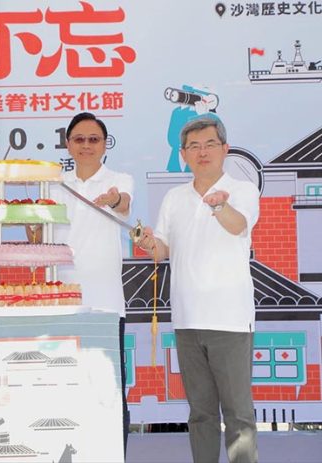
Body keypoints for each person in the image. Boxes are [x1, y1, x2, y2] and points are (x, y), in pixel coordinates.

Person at [137, 116, 259, 462]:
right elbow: (162, 250)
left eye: (209, 144)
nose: (202, 152)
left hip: (229, 319)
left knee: (238, 414)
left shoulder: (242, 190)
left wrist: (219, 204)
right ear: (183, 154)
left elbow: (237, 226)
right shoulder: (174, 197)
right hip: (187, 319)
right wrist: (148, 243)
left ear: (225, 149)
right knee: (201, 414)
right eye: (193, 146)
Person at [29, 112, 133, 454]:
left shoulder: (119, 180)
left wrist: (113, 199)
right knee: (64, 390)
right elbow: (39, 239)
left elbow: (123, 204)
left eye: (93, 139)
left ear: (104, 144)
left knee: (110, 391)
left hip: (106, 305)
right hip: (62, 303)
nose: (86, 145)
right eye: (79, 139)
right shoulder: (53, 184)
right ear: (68, 144)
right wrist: (32, 224)